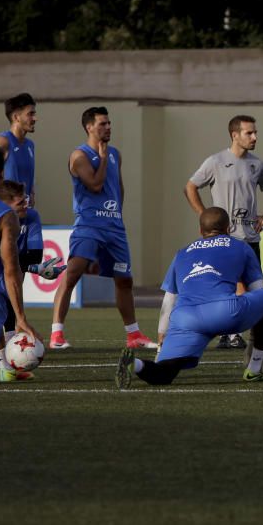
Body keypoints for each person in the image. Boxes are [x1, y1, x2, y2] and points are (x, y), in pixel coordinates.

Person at [116, 207, 263, 388]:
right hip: (225, 312)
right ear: (228, 229)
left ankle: (137, 364)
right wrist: (258, 340)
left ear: (200, 231)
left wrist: (162, 336)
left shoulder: (182, 253)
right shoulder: (241, 246)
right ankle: (255, 369)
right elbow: (258, 290)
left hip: (185, 319)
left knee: (165, 372)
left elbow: (169, 299)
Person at [49, 106, 156, 350]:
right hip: (89, 224)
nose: (108, 127)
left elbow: (118, 188)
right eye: (102, 124)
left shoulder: (116, 153)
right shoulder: (79, 156)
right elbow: (95, 185)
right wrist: (104, 157)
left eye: (109, 123)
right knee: (73, 273)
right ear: (89, 127)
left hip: (114, 227)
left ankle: (134, 335)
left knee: (124, 280)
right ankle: (57, 334)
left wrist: (117, 214)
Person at [185, 115, 263, 349]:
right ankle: (230, 334)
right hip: (224, 238)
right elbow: (190, 187)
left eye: (255, 132)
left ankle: (241, 335)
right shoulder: (215, 161)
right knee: (233, 284)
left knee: (253, 287)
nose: (255, 137)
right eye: (249, 133)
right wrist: (204, 216)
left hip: (250, 236)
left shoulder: (256, 164)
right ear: (234, 135)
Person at [0, 180, 63, 381]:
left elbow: (33, 255)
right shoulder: (4, 218)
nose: (26, 204)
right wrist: (35, 269)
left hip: (5, 271)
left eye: (26, 200)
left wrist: (34, 266)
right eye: (20, 203)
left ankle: (6, 367)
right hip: (4, 270)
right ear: (3, 204)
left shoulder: (31, 217)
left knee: (2, 310)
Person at [0, 152, 43, 382]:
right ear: (1, 174)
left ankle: (6, 368)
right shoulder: (6, 217)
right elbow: (11, 270)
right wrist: (21, 318)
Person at [0, 94, 44, 274]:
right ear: (16, 117)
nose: (35, 118)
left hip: (24, 215)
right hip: (5, 216)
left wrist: (31, 197)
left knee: (19, 272)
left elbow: (29, 178)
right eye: (30, 114)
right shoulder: (2, 142)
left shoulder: (30, 145)